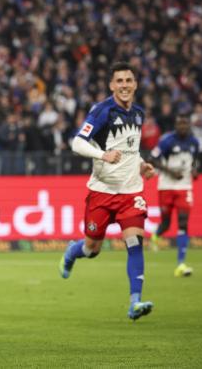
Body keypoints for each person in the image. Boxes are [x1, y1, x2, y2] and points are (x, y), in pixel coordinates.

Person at [59, 61, 156, 320]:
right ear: (112, 85)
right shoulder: (102, 111)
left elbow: (130, 151)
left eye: (129, 80)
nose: (124, 85)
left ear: (135, 85)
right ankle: (72, 252)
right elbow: (77, 143)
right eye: (120, 81)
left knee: (135, 243)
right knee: (92, 249)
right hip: (101, 193)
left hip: (131, 193)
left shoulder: (138, 114)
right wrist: (102, 155)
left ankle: (135, 302)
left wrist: (142, 164)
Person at [149, 114, 200, 276]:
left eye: (185, 123)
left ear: (189, 125)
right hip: (166, 186)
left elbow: (194, 161)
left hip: (185, 186)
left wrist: (194, 171)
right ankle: (155, 236)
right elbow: (152, 158)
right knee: (166, 224)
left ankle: (181, 264)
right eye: (180, 124)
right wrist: (170, 172)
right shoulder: (166, 141)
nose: (183, 126)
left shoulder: (194, 142)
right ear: (176, 125)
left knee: (183, 223)